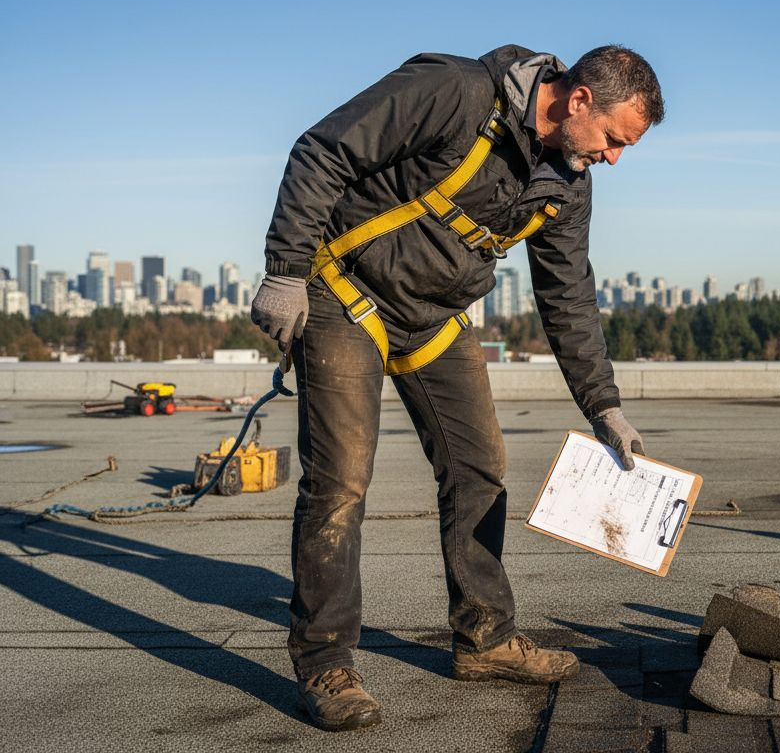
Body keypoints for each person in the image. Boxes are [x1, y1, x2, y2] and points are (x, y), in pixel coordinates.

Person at [250, 44, 663, 732]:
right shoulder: (457, 91)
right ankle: (326, 661)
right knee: (342, 480)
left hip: (432, 319)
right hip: (342, 295)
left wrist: (604, 405)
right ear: (580, 99)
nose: (614, 158)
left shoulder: (567, 179)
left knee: (480, 470)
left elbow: (567, 297)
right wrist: (286, 270)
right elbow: (324, 149)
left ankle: (485, 639)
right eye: (615, 140)